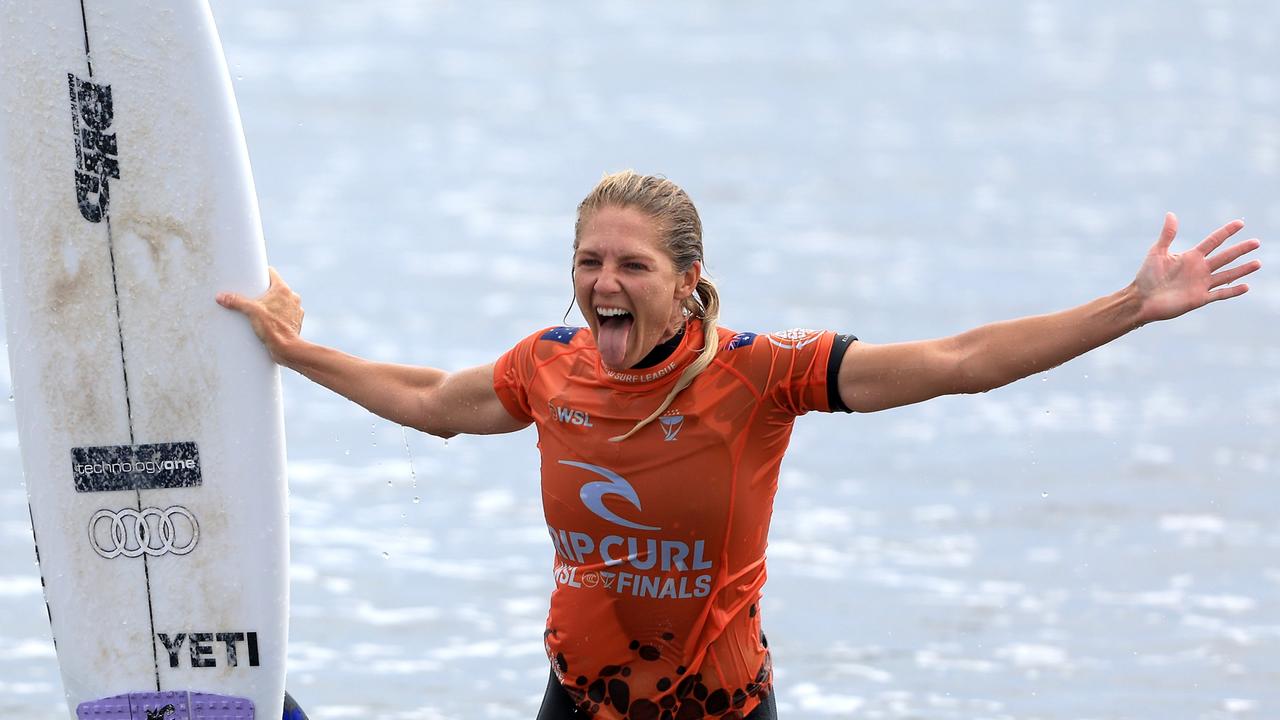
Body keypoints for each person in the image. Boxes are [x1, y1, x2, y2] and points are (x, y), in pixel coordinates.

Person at [217, 171, 1261, 720]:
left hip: (715, 709)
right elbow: (431, 400)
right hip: (579, 700)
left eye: (629, 263)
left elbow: (953, 358)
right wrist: (293, 351)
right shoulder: (548, 366)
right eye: (587, 261)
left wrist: (1128, 306)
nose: (602, 283)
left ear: (685, 277)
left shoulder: (763, 373)